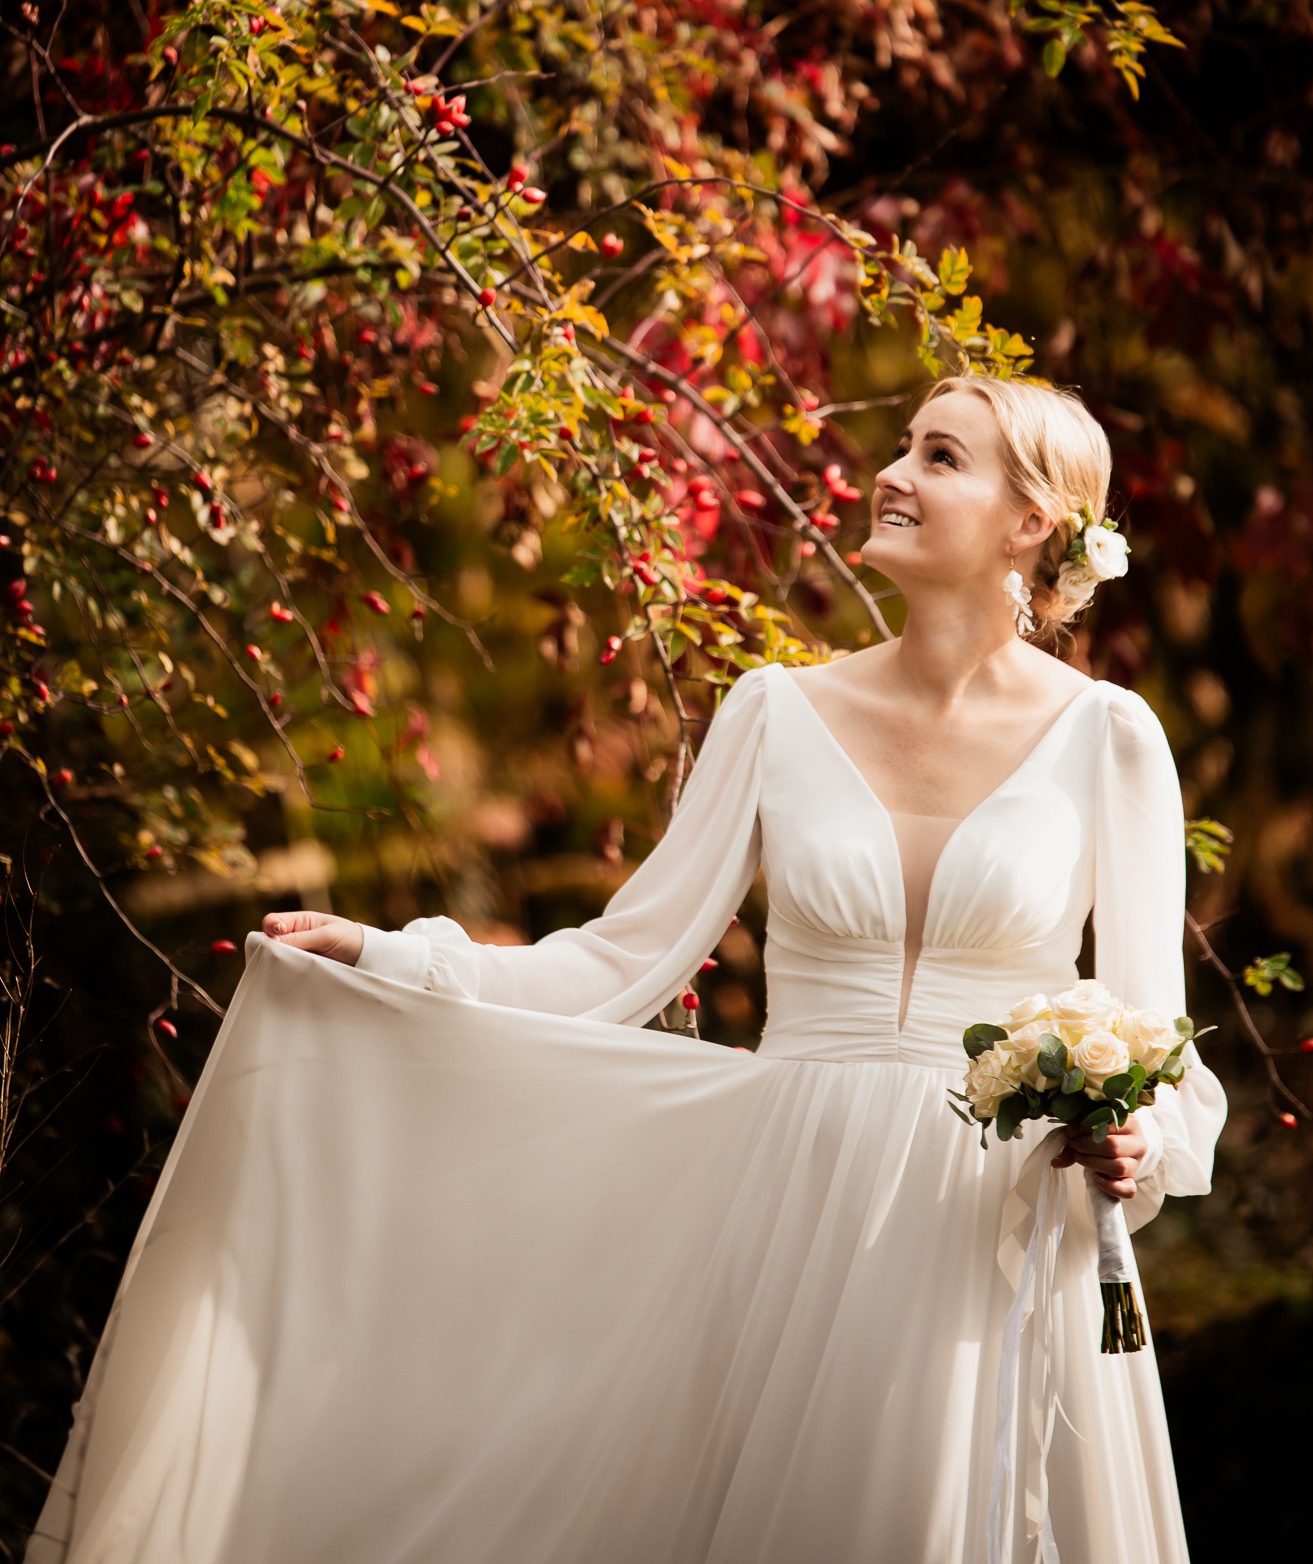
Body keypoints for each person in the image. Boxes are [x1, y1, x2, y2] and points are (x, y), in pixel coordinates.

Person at [27, 374, 1227, 1564]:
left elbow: (1148, 1034)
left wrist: (1135, 1138)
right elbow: (621, 955)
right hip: (789, 1209)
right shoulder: (774, 710)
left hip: (994, 1224)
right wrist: (385, 957)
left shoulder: (1108, 738)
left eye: (939, 457)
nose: (891, 474)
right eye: (902, 445)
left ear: (1031, 522)